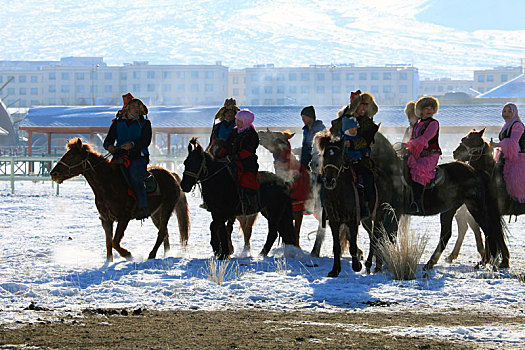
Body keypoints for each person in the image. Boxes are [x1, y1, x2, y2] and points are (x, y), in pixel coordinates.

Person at [330, 90, 379, 218]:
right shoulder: (342, 119)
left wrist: (352, 144)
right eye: (361, 104)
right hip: (341, 156)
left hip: (360, 157)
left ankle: (366, 204)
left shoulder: (369, 124)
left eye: (366, 105)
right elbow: (333, 133)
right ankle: (324, 205)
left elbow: (366, 140)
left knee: (368, 176)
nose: (364, 108)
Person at [103, 93, 152, 220]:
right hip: (119, 156)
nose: (137, 108)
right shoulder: (117, 123)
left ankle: (143, 206)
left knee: (135, 175)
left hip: (138, 157)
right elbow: (108, 141)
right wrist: (110, 147)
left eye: (138, 106)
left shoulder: (145, 123)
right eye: (134, 106)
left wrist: (133, 144)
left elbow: (146, 141)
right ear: (127, 108)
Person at [405, 96, 442, 214]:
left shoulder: (434, 123)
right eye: (426, 108)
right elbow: (412, 138)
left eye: (432, 108)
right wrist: (405, 147)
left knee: (418, 171)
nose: (429, 110)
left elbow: (424, 139)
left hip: (429, 155)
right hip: (416, 154)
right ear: (420, 109)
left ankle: (416, 203)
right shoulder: (417, 124)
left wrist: (408, 144)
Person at [222, 109, 260, 214]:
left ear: (245, 121)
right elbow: (227, 144)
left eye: (239, 120)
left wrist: (235, 157)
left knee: (246, 180)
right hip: (231, 160)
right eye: (236, 120)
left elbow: (248, 151)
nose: (236, 122)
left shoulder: (251, 134)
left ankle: (248, 202)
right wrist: (221, 152)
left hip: (246, 163)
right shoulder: (234, 131)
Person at [492, 103, 525, 203]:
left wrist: (497, 144)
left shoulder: (517, 125)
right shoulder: (506, 125)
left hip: (518, 158)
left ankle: (517, 201)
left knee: (514, 179)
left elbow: (513, 142)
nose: (506, 113)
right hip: (506, 156)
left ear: (515, 112)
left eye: (509, 111)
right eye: (504, 111)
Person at [300, 106, 325, 170]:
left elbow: (319, 146)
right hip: (305, 157)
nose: (302, 120)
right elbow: (305, 145)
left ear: (310, 117)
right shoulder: (305, 130)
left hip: (316, 157)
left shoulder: (319, 128)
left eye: (304, 117)